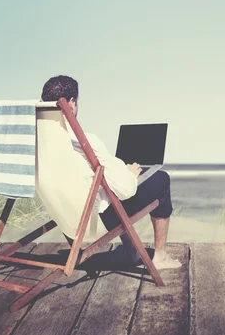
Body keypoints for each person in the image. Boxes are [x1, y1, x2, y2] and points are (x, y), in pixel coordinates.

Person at [41, 75, 181, 270]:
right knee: (161, 179)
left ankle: (132, 252)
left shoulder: (41, 147)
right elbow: (125, 190)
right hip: (95, 222)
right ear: (71, 103)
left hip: (66, 218)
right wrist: (130, 174)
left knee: (111, 185)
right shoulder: (85, 141)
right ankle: (160, 256)